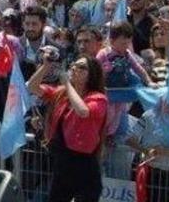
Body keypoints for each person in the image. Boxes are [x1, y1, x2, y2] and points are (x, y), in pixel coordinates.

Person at [27, 54, 108, 202]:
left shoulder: (98, 98)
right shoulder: (61, 93)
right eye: (73, 65)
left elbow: (83, 111)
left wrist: (68, 84)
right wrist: (45, 66)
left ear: (91, 75)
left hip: (85, 165)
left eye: (81, 67)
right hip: (63, 161)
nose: (75, 69)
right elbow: (32, 87)